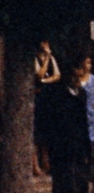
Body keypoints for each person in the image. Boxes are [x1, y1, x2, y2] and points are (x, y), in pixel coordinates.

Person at [39, 68, 90, 193]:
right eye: (78, 69)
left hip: (78, 145)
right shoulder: (56, 95)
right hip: (61, 146)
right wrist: (47, 149)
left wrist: (87, 148)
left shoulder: (80, 94)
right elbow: (48, 123)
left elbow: (84, 123)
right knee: (63, 185)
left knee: (81, 183)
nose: (80, 73)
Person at [32, 39, 60, 177]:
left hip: (48, 97)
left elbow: (56, 75)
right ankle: (35, 164)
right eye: (45, 43)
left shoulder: (51, 58)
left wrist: (44, 81)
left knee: (47, 130)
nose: (47, 46)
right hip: (37, 97)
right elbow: (40, 74)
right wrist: (47, 59)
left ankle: (46, 162)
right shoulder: (35, 58)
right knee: (36, 132)